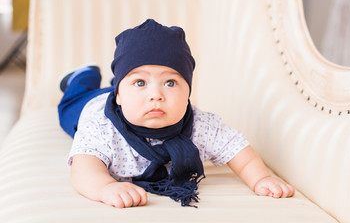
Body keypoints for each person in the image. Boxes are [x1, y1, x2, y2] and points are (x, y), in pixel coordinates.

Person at [58, 19, 295, 209]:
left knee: (133, 89)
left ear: (188, 92)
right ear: (119, 95)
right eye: (141, 82)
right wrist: (105, 187)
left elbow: (239, 151)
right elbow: (84, 168)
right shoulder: (101, 125)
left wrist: (261, 179)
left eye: (170, 83)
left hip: (125, 95)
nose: (156, 95)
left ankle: (123, 80)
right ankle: (83, 76)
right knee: (68, 108)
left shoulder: (201, 126)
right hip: (96, 104)